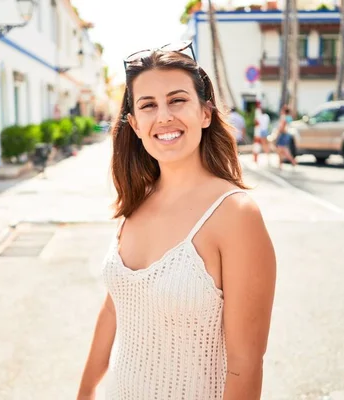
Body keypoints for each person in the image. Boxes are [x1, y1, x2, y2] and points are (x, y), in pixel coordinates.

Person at [77, 41, 276, 400]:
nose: (164, 116)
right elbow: (115, 307)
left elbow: (246, 363)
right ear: (135, 125)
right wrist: (85, 391)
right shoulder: (135, 201)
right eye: (148, 105)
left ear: (205, 113)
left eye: (177, 100)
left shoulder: (235, 214)